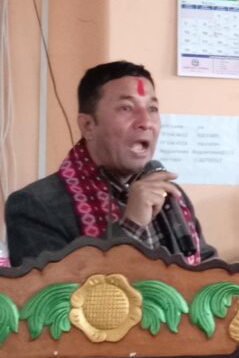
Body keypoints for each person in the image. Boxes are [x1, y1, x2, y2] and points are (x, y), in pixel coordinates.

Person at [5, 60, 216, 266]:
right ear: (88, 126)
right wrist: (132, 224)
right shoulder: (34, 205)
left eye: (152, 109)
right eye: (126, 108)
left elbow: (208, 270)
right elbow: (55, 288)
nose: (146, 122)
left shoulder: (169, 196)